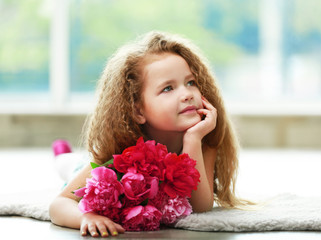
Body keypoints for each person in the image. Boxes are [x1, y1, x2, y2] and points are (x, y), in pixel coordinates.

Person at [49, 31, 243, 237]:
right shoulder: (122, 151)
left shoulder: (204, 139)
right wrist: (85, 217)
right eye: (168, 88)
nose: (187, 94)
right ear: (138, 111)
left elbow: (201, 206)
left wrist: (193, 140)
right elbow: (59, 204)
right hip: (88, 165)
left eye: (190, 82)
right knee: (69, 165)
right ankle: (62, 153)